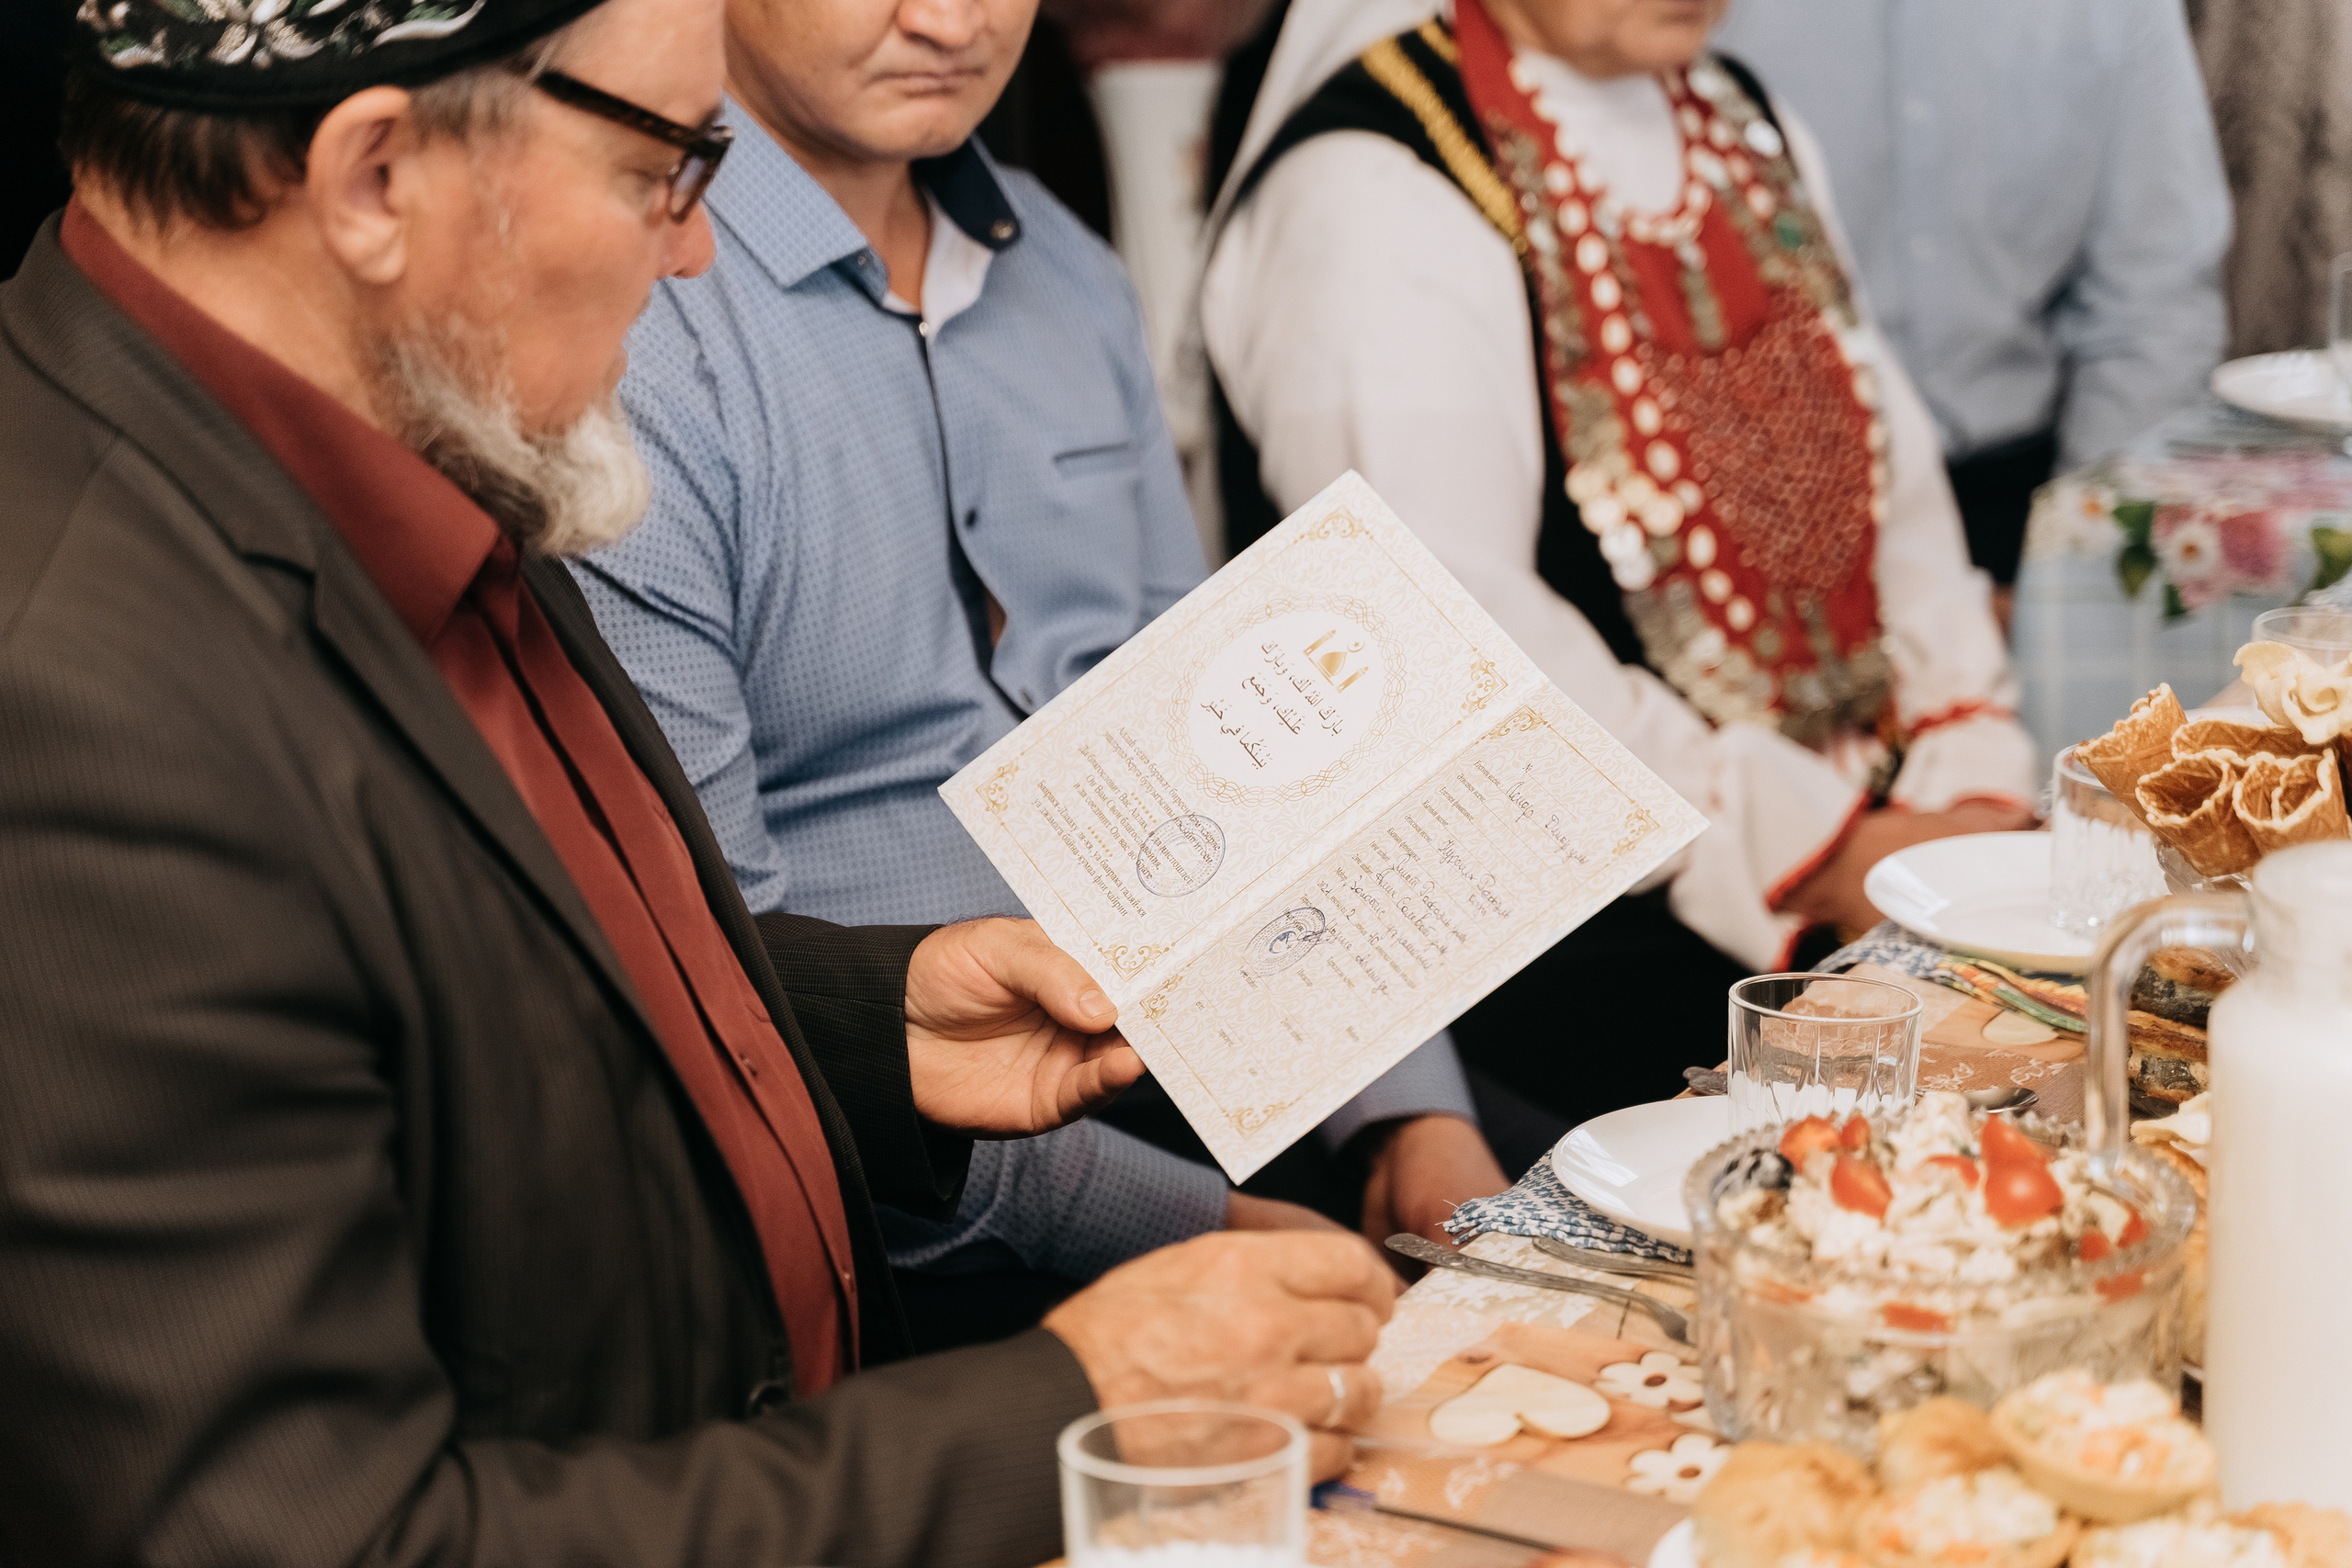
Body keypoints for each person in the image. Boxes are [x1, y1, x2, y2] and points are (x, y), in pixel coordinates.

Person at [0, 0, 1397, 1561]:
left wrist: (867, 1029)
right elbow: (311, 1539)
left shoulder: (403, 433)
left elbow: (488, 1003)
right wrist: (1070, 1405)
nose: (695, 259)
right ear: (375, 179)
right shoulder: (77, 713)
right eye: (669, 172)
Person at [571, 0, 1520, 1322]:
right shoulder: (632, 327)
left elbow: (1245, 743)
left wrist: (1407, 1106)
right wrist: (1202, 1223)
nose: (950, 20)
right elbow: (717, 983)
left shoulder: (1063, 266)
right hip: (907, 1155)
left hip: (1212, 1038)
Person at [1200, 0, 2040, 1123]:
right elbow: (1452, 642)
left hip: (1868, 854)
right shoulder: (1371, 193)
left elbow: (1894, 485)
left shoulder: (1739, 118)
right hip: (1578, 962)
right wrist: (1821, 853)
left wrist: (1961, 766)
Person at [1712, 0, 2230, 610]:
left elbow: (2155, 305)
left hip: (2022, 498)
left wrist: (2066, 575)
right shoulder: (1668, 21)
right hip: (1746, 515)